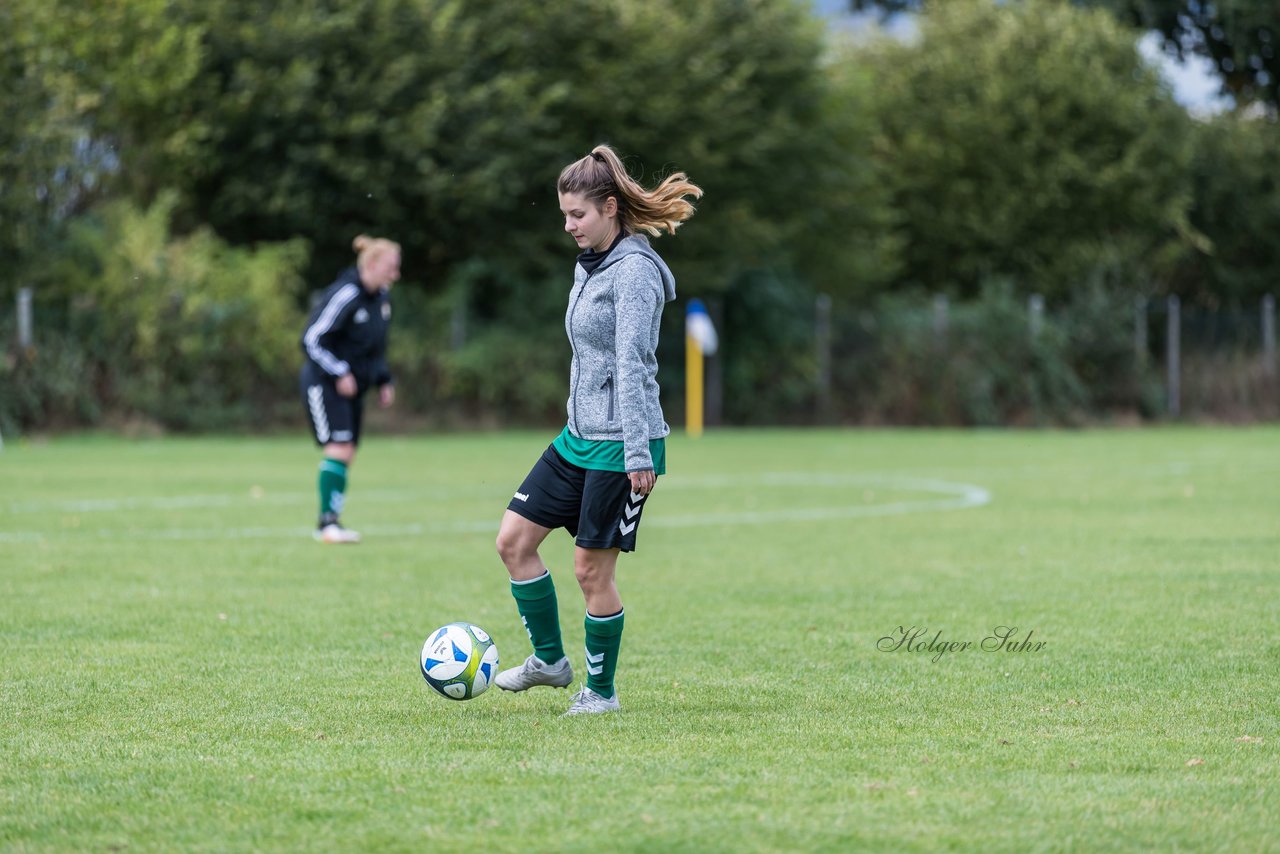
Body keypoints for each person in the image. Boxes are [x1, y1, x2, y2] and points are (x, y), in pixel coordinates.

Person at [493, 145, 702, 715]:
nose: (568, 226)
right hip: (577, 437)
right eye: (564, 215)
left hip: (621, 446)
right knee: (513, 542)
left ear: (610, 208)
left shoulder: (634, 273)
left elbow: (633, 365)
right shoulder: (588, 265)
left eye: (577, 215)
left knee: (590, 571)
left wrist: (640, 454)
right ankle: (550, 662)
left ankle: (601, 694)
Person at [299, 234, 401, 544]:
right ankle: (327, 524)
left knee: (348, 453)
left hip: (355, 389)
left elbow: (375, 349)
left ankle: (332, 522)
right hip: (324, 382)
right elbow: (311, 339)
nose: (395, 275)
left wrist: (383, 380)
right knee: (339, 448)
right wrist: (339, 371)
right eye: (391, 267)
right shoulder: (345, 294)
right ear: (371, 264)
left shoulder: (381, 299)